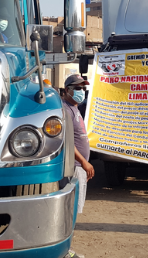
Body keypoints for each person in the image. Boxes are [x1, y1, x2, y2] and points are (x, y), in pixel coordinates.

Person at [61, 74, 95, 214]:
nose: (81, 91)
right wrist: (83, 162)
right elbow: (67, 141)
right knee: (71, 208)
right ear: (67, 90)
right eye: (77, 88)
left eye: (83, 88)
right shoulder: (66, 110)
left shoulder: (75, 108)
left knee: (76, 206)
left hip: (79, 167)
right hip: (73, 166)